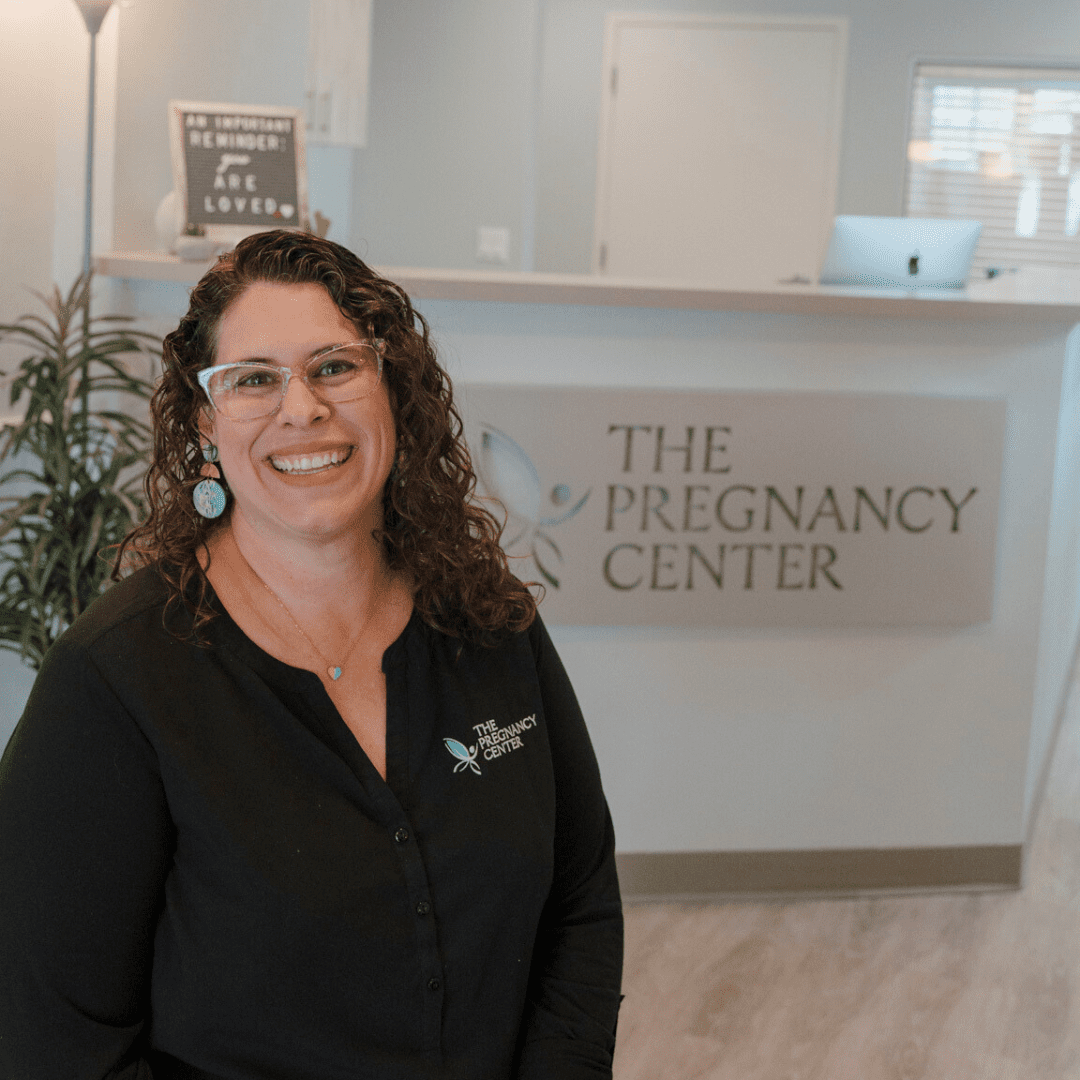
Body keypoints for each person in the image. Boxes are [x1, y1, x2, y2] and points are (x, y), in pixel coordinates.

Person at [0, 230, 623, 1079]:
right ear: (203, 424)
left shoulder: (487, 619)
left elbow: (580, 904)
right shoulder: (114, 678)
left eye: (336, 366)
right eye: (254, 379)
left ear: (393, 391)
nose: (303, 409)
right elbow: (55, 1040)